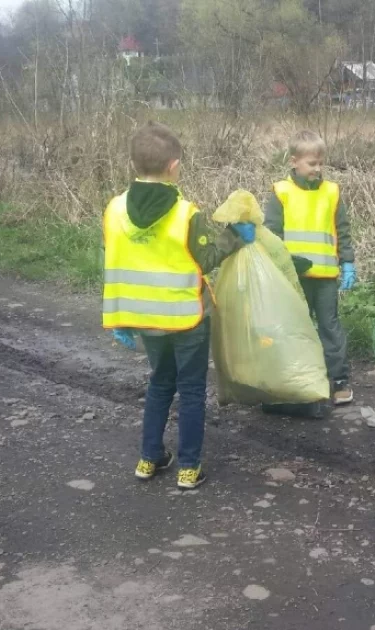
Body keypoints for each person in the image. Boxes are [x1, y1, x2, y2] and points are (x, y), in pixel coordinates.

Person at [102, 122, 252, 489]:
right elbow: (204, 258)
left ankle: (149, 458)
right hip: (187, 320)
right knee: (191, 390)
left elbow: (113, 261)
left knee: (159, 385)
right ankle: (188, 467)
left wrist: (120, 319)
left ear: (134, 165)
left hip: (146, 320)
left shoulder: (114, 209)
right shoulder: (186, 213)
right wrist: (234, 236)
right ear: (172, 166)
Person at [264, 130, 356, 406]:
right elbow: (271, 234)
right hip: (294, 278)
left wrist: (348, 262)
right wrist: (280, 266)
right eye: (311, 163)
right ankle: (299, 378)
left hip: (326, 277)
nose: (317, 169)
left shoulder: (331, 193)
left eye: (320, 163)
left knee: (330, 328)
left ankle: (339, 379)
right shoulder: (281, 193)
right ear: (294, 162)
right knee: (295, 329)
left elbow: (342, 230)